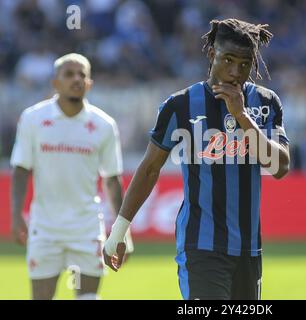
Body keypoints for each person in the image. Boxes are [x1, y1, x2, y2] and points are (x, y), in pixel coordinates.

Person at [103, 18, 290, 300]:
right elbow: (150, 168)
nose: (235, 72)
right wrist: (119, 230)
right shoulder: (179, 105)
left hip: (249, 250)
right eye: (228, 60)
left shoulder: (265, 103)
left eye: (244, 64)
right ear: (212, 53)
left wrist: (241, 116)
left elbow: (279, 167)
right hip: (200, 246)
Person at [10, 53, 133, 300]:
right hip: (45, 227)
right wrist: (15, 215)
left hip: (86, 227)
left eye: (82, 74)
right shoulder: (33, 119)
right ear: (55, 82)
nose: (76, 79)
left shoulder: (103, 124)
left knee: (87, 298)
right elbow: (21, 169)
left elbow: (112, 178)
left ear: (89, 83)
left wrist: (122, 232)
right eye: (69, 74)